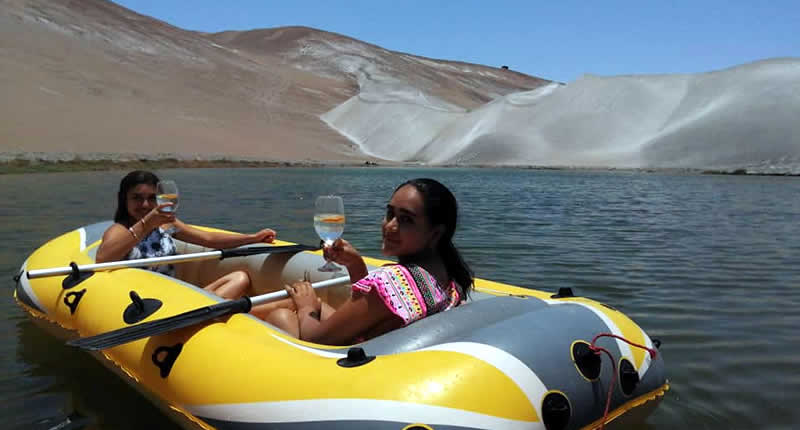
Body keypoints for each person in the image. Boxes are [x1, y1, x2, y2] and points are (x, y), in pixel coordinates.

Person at [265, 178, 473, 345]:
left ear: (435, 234)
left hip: (355, 371)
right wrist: (356, 265)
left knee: (282, 316)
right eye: (390, 213)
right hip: (380, 353)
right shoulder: (447, 278)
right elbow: (374, 312)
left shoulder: (394, 280)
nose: (390, 226)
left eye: (406, 219)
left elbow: (315, 339)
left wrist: (305, 306)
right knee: (319, 306)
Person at [95, 170, 277, 298]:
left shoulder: (166, 225)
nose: (145, 205)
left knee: (240, 278)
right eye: (137, 198)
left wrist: (252, 238)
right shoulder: (119, 230)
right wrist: (146, 224)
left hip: (175, 295)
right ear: (124, 200)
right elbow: (102, 260)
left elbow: (209, 239)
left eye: (151, 198)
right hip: (141, 302)